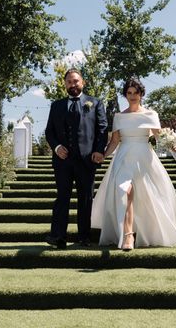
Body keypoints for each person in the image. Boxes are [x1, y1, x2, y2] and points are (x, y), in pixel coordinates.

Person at [91, 78, 176, 250]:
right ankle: (127, 235)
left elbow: (159, 137)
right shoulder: (119, 117)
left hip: (144, 158)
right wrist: (103, 155)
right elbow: (114, 141)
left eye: (136, 92)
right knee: (124, 190)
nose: (132, 96)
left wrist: (170, 144)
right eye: (129, 93)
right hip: (123, 157)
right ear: (125, 95)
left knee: (144, 196)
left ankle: (142, 233)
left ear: (141, 94)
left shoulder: (151, 115)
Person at [44, 68, 108, 248]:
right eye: (69, 82)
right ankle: (58, 236)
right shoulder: (56, 105)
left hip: (87, 160)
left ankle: (84, 237)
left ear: (83, 82)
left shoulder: (95, 103)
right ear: (65, 85)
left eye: (76, 81)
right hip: (63, 161)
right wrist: (56, 147)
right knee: (62, 197)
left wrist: (98, 151)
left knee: (86, 198)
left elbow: (102, 129)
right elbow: (49, 132)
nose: (73, 85)